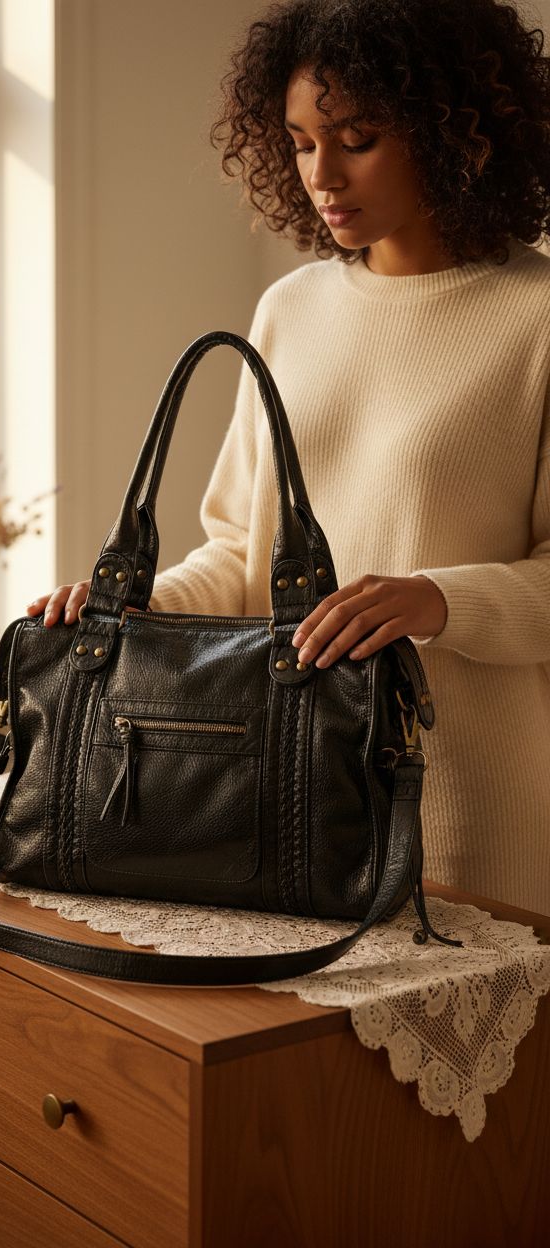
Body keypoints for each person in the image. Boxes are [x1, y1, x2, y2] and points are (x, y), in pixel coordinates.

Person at [28, 0, 550, 914]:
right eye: (303, 142)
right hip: (291, 796)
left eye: (357, 137)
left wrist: (434, 599)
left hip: (475, 809)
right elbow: (240, 549)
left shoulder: (537, 317)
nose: (322, 175)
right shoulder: (290, 309)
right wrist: (141, 603)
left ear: (454, 129)